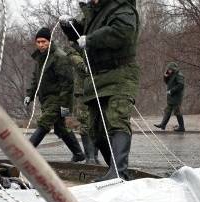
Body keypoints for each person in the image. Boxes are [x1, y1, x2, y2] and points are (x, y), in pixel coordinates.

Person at [60, 0, 140, 181]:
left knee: (116, 119)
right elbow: (85, 33)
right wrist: (71, 28)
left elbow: (122, 32)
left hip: (120, 73)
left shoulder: (122, 8)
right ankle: (113, 169)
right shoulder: (94, 12)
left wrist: (91, 40)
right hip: (97, 76)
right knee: (96, 129)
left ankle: (119, 172)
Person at [24, 27, 85, 163]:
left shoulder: (59, 57)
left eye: (44, 41)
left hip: (57, 98)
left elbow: (67, 84)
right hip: (45, 99)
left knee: (44, 123)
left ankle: (25, 154)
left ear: (50, 41)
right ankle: (79, 153)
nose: (41, 44)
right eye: (38, 42)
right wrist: (30, 95)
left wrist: (64, 106)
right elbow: (36, 79)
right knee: (60, 128)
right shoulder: (40, 57)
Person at [65, 42, 100, 164]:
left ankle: (93, 155)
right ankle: (89, 156)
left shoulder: (97, 38)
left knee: (98, 122)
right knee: (85, 122)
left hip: (100, 87)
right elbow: (72, 55)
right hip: (83, 90)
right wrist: (84, 65)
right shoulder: (76, 42)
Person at [154, 62, 185, 132]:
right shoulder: (171, 74)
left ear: (174, 69)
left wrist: (171, 91)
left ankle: (182, 127)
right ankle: (163, 124)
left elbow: (181, 85)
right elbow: (167, 82)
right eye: (168, 69)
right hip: (171, 97)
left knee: (177, 111)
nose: (169, 70)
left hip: (176, 97)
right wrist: (165, 76)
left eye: (170, 69)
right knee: (167, 111)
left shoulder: (179, 75)